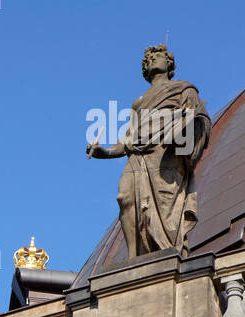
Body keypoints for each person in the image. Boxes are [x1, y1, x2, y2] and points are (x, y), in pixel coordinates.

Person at [86, 44, 210, 259]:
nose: (152, 60)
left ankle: (169, 252)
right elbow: (127, 140)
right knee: (125, 198)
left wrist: (182, 135)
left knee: (165, 206)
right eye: (148, 59)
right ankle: (133, 260)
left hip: (166, 155)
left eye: (158, 56)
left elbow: (199, 119)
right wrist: (104, 152)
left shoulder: (184, 89)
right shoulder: (138, 103)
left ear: (169, 63)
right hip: (138, 156)